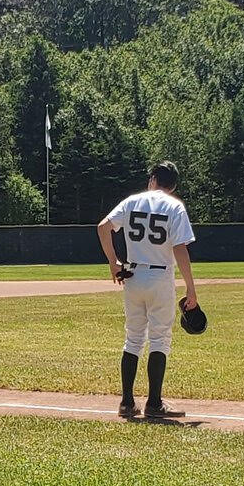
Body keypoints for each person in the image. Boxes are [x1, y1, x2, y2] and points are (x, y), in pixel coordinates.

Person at [96, 161, 199, 421]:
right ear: (173, 185)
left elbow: (103, 227)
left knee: (133, 338)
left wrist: (113, 263)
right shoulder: (174, 206)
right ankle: (154, 403)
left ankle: (127, 402)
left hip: (132, 275)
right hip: (160, 275)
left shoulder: (132, 201)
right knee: (160, 339)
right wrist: (190, 288)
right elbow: (180, 248)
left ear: (153, 178)